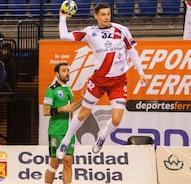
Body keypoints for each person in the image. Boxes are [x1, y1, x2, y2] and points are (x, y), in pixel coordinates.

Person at [56, 3, 148, 159]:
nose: (106, 17)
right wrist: (63, 17)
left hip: (118, 81)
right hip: (98, 80)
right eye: (103, 14)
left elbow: (132, 51)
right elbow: (64, 36)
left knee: (117, 119)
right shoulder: (90, 32)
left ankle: (102, 136)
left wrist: (141, 72)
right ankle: (65, 141)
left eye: (108, 14)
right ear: (96, 16)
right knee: (83, 114)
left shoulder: (121, 30)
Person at [42, 62, 83, 184]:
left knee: (68, 161)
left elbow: (71, 108)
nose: (67, 73)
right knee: (54, 161)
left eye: (68, 70)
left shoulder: (69, 90)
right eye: (64, 70)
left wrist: (82, 99)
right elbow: (46, 111)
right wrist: (61, 109)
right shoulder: (51, 90)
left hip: (69, 132)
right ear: (57, 74)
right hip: (56, 131)